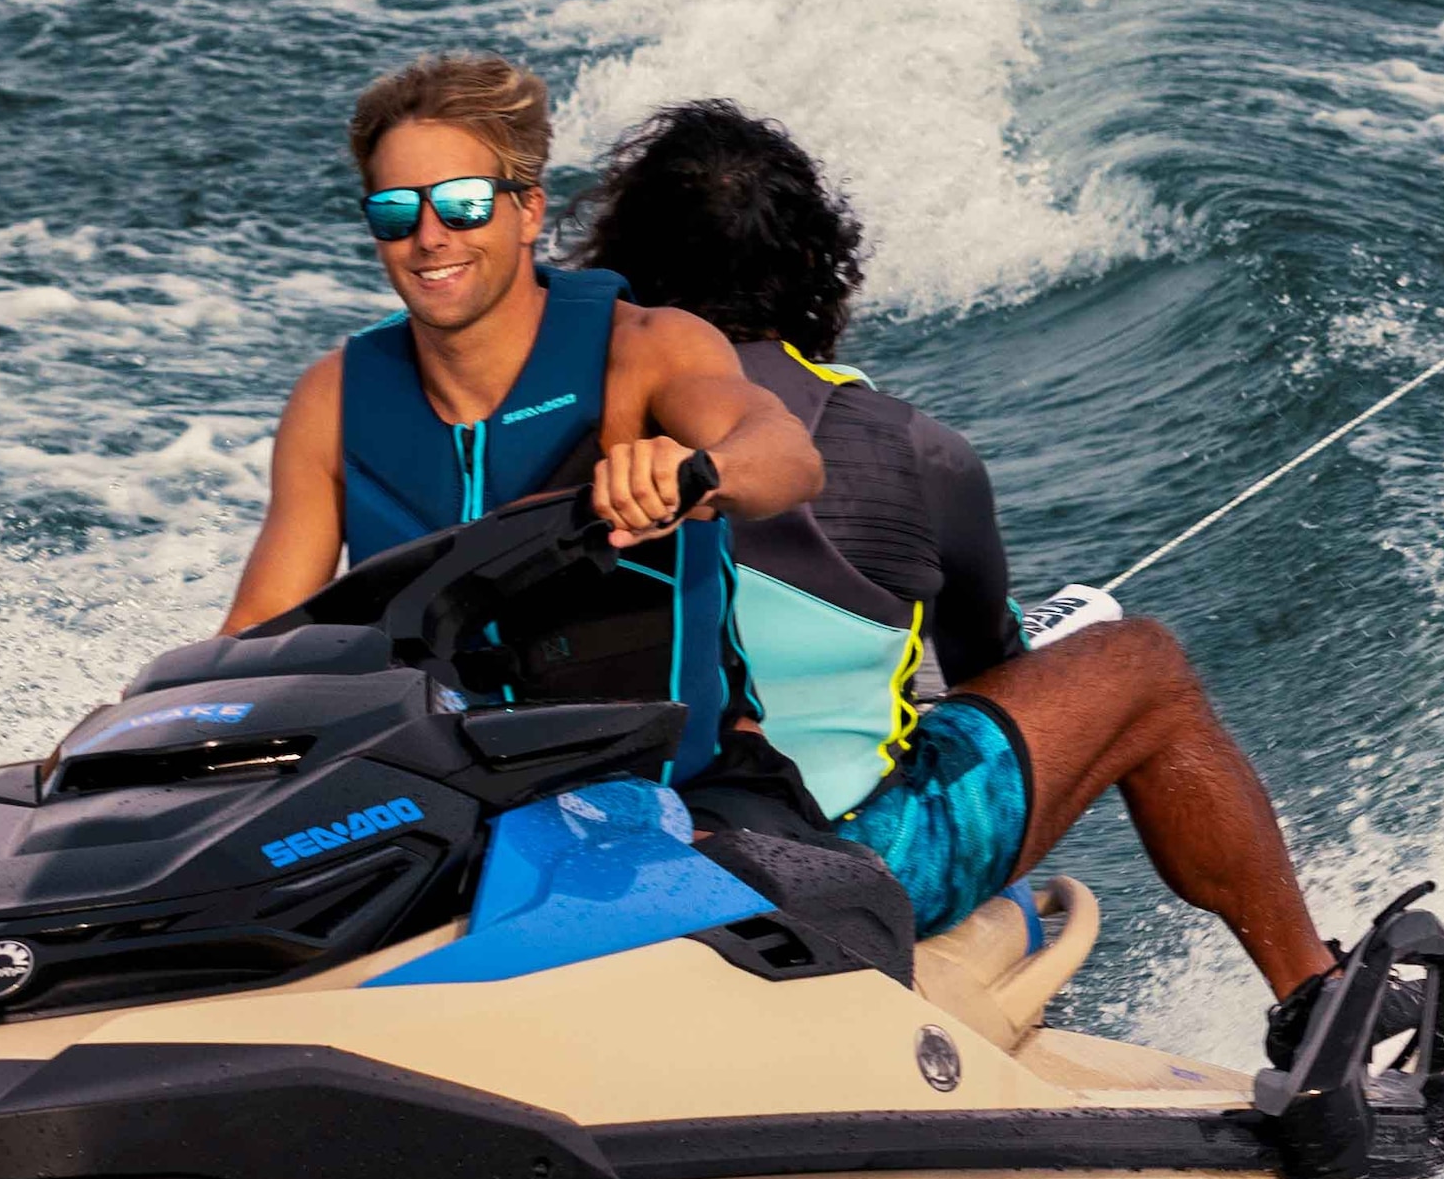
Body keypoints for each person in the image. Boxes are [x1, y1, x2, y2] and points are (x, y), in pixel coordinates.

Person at [564, 99, 1338, 1019]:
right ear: (816, 264)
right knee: (1144, 667)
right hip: (840, 862)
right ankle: (1321, 1001)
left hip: (604, 850)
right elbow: (988, 672)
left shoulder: (558, 435)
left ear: (616, 267)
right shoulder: (915, 453)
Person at [224, 53, 921, 970]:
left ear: (528, 210)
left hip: (685, 792)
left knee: (832, 936)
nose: (431, 236)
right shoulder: (336, 399)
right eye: (398, 211)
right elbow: (255, 641)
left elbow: (784, 457)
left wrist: (694, 470)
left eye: (464, 202)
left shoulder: (643, 350)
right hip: (439, 816)